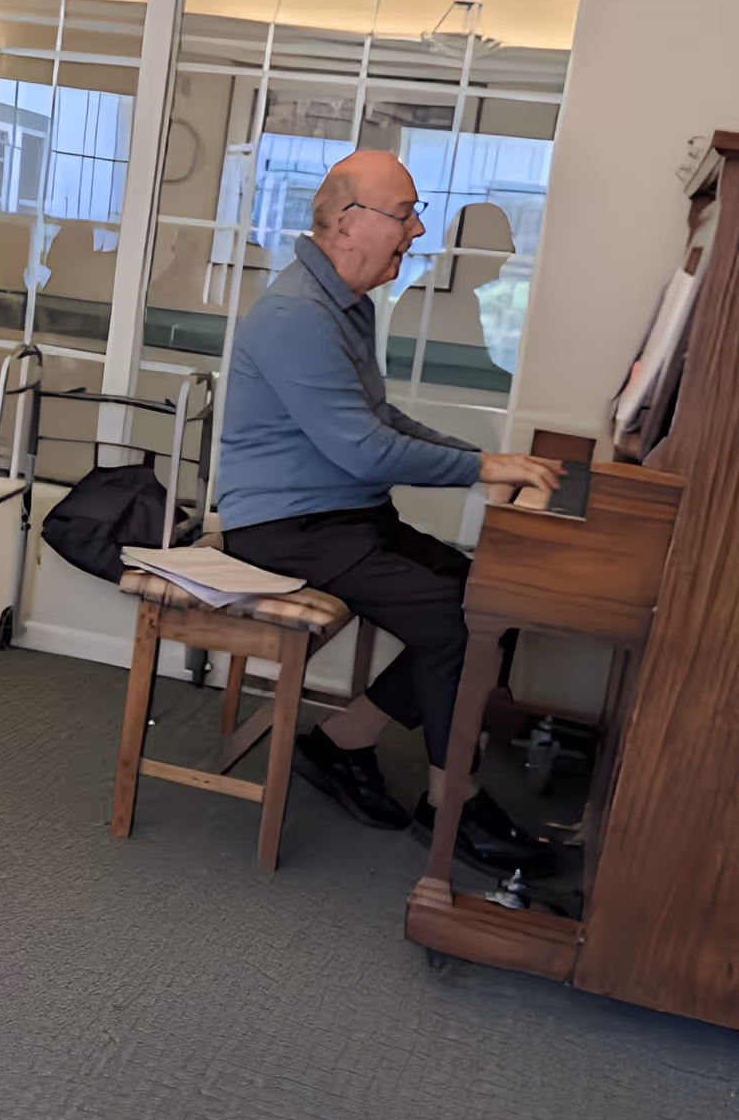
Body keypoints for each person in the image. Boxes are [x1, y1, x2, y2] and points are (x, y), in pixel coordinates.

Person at [216, 149, 560, 873]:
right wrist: (482, 468)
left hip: (340, 516)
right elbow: (366, 452)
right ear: (347, 222)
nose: (417, 232)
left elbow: (379, 418)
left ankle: (342, 741)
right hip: (286, 529)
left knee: (485, 601)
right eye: (404, 214)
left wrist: (483, 464)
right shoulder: (295, 316)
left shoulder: (345, 305)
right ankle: (453, 807)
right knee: (454, 619)